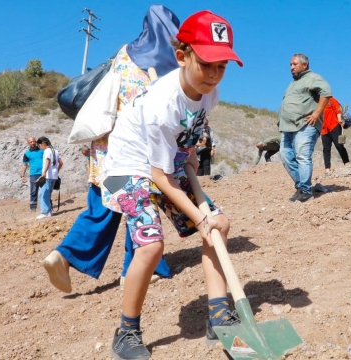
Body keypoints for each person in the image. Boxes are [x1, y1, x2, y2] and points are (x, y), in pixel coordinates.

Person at [99, 10, 243, 359]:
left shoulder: (210, 91)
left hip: (164, 163)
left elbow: (190, 127)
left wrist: (190, 151)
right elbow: (159, 178)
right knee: (150, 244)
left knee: (219, 225)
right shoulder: (163, 102)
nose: (213, 74)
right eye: (206, 63)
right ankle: (126, 331)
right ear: (182, 56)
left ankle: (219, 316)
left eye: (222, 65)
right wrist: (198, 218)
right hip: (125, 169)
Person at [42, 5, 177, 295]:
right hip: (134, 156)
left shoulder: (122, 55)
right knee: (140, 208)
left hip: (103, 152)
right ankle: (138, 269)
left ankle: (63, 256)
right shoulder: (159, 70)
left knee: (100, 209)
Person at [278, 53, 332, 203]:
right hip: (288, 127)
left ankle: (306, 191)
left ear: (304, 65)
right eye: (290, 65)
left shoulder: (313, 77)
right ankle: (301, 187)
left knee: (302, 156)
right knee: (285, 156)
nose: (291, 67)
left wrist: (316, 114)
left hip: (305, 125)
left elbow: (326, 92)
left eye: (294, 64)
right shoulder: (293, 83)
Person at [36, 137, 62, 219]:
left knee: (42, 194)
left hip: (47, 176)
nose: (40, 148)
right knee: (47, 194)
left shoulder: (47, 151)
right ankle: (49, 211)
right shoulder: (56, 151)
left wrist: (44, 172)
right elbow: (61, 163)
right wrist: (56, 171)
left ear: (43, 143)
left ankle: (45, 212)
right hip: (54, 176)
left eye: (39, 145)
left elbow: (48, 161)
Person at [321, 96, 349, 173]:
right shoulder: (318, 103)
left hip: (334, 125)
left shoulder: (331, 99)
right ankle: (327, 169)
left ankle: (347, 163)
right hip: (324, 129)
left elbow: (337, 109)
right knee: (326, 149)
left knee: (339, 145)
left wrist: (339, 119)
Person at [20, 137, 44, 212]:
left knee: (45, 191)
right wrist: (22, 176)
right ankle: (33, 209)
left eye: (34, 141)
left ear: (36, 142)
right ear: (28, 143)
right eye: (31, 142)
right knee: (33, 192)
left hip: (43, 173)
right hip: (33, 174)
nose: (33, 143)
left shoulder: (42, 151)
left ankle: (47, 206)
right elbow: (24, 165)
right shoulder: (27, 153)